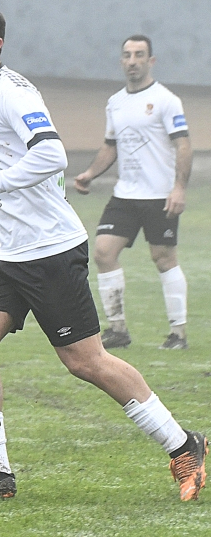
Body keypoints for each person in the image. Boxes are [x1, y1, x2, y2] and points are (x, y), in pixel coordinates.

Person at [0, 0, 205, 501]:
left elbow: (51, 156)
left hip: (50, 251)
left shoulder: (13, 92)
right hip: (7, 253)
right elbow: (0, 166)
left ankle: (183, 444)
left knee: (86, 362)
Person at [71, 35, 193, 350]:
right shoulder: (115, 102)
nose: (132, 61)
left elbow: (183, 145)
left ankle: (178, 334)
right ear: (121, 61)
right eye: (127, 55)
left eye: (139, 55)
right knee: (103, 253)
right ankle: (118, 330)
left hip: (160, 195)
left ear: (150, 61)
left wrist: (179, 188)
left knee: (163, 258)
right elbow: (110, 146)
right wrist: (90, 173)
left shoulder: (166, 100)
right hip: (125, 195)